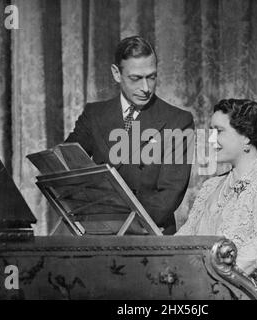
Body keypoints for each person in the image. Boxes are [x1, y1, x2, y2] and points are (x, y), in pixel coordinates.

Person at [65, 36, 194, 235]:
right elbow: (65, 165)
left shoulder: (179, 121)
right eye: (136, 78)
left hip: (148, 237)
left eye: (151, 77)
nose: (145, 88)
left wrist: (116, 222)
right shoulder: (94, 115)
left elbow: (169, 195)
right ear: (117, 74)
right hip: (97, 235)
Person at [176, 98, 257, 299]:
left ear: (246, 137)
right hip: (203, 291)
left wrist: (202, 282)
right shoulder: (210, 187)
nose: (211, 139)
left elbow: (256, 254)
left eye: (219, 131)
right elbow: (183, 242)